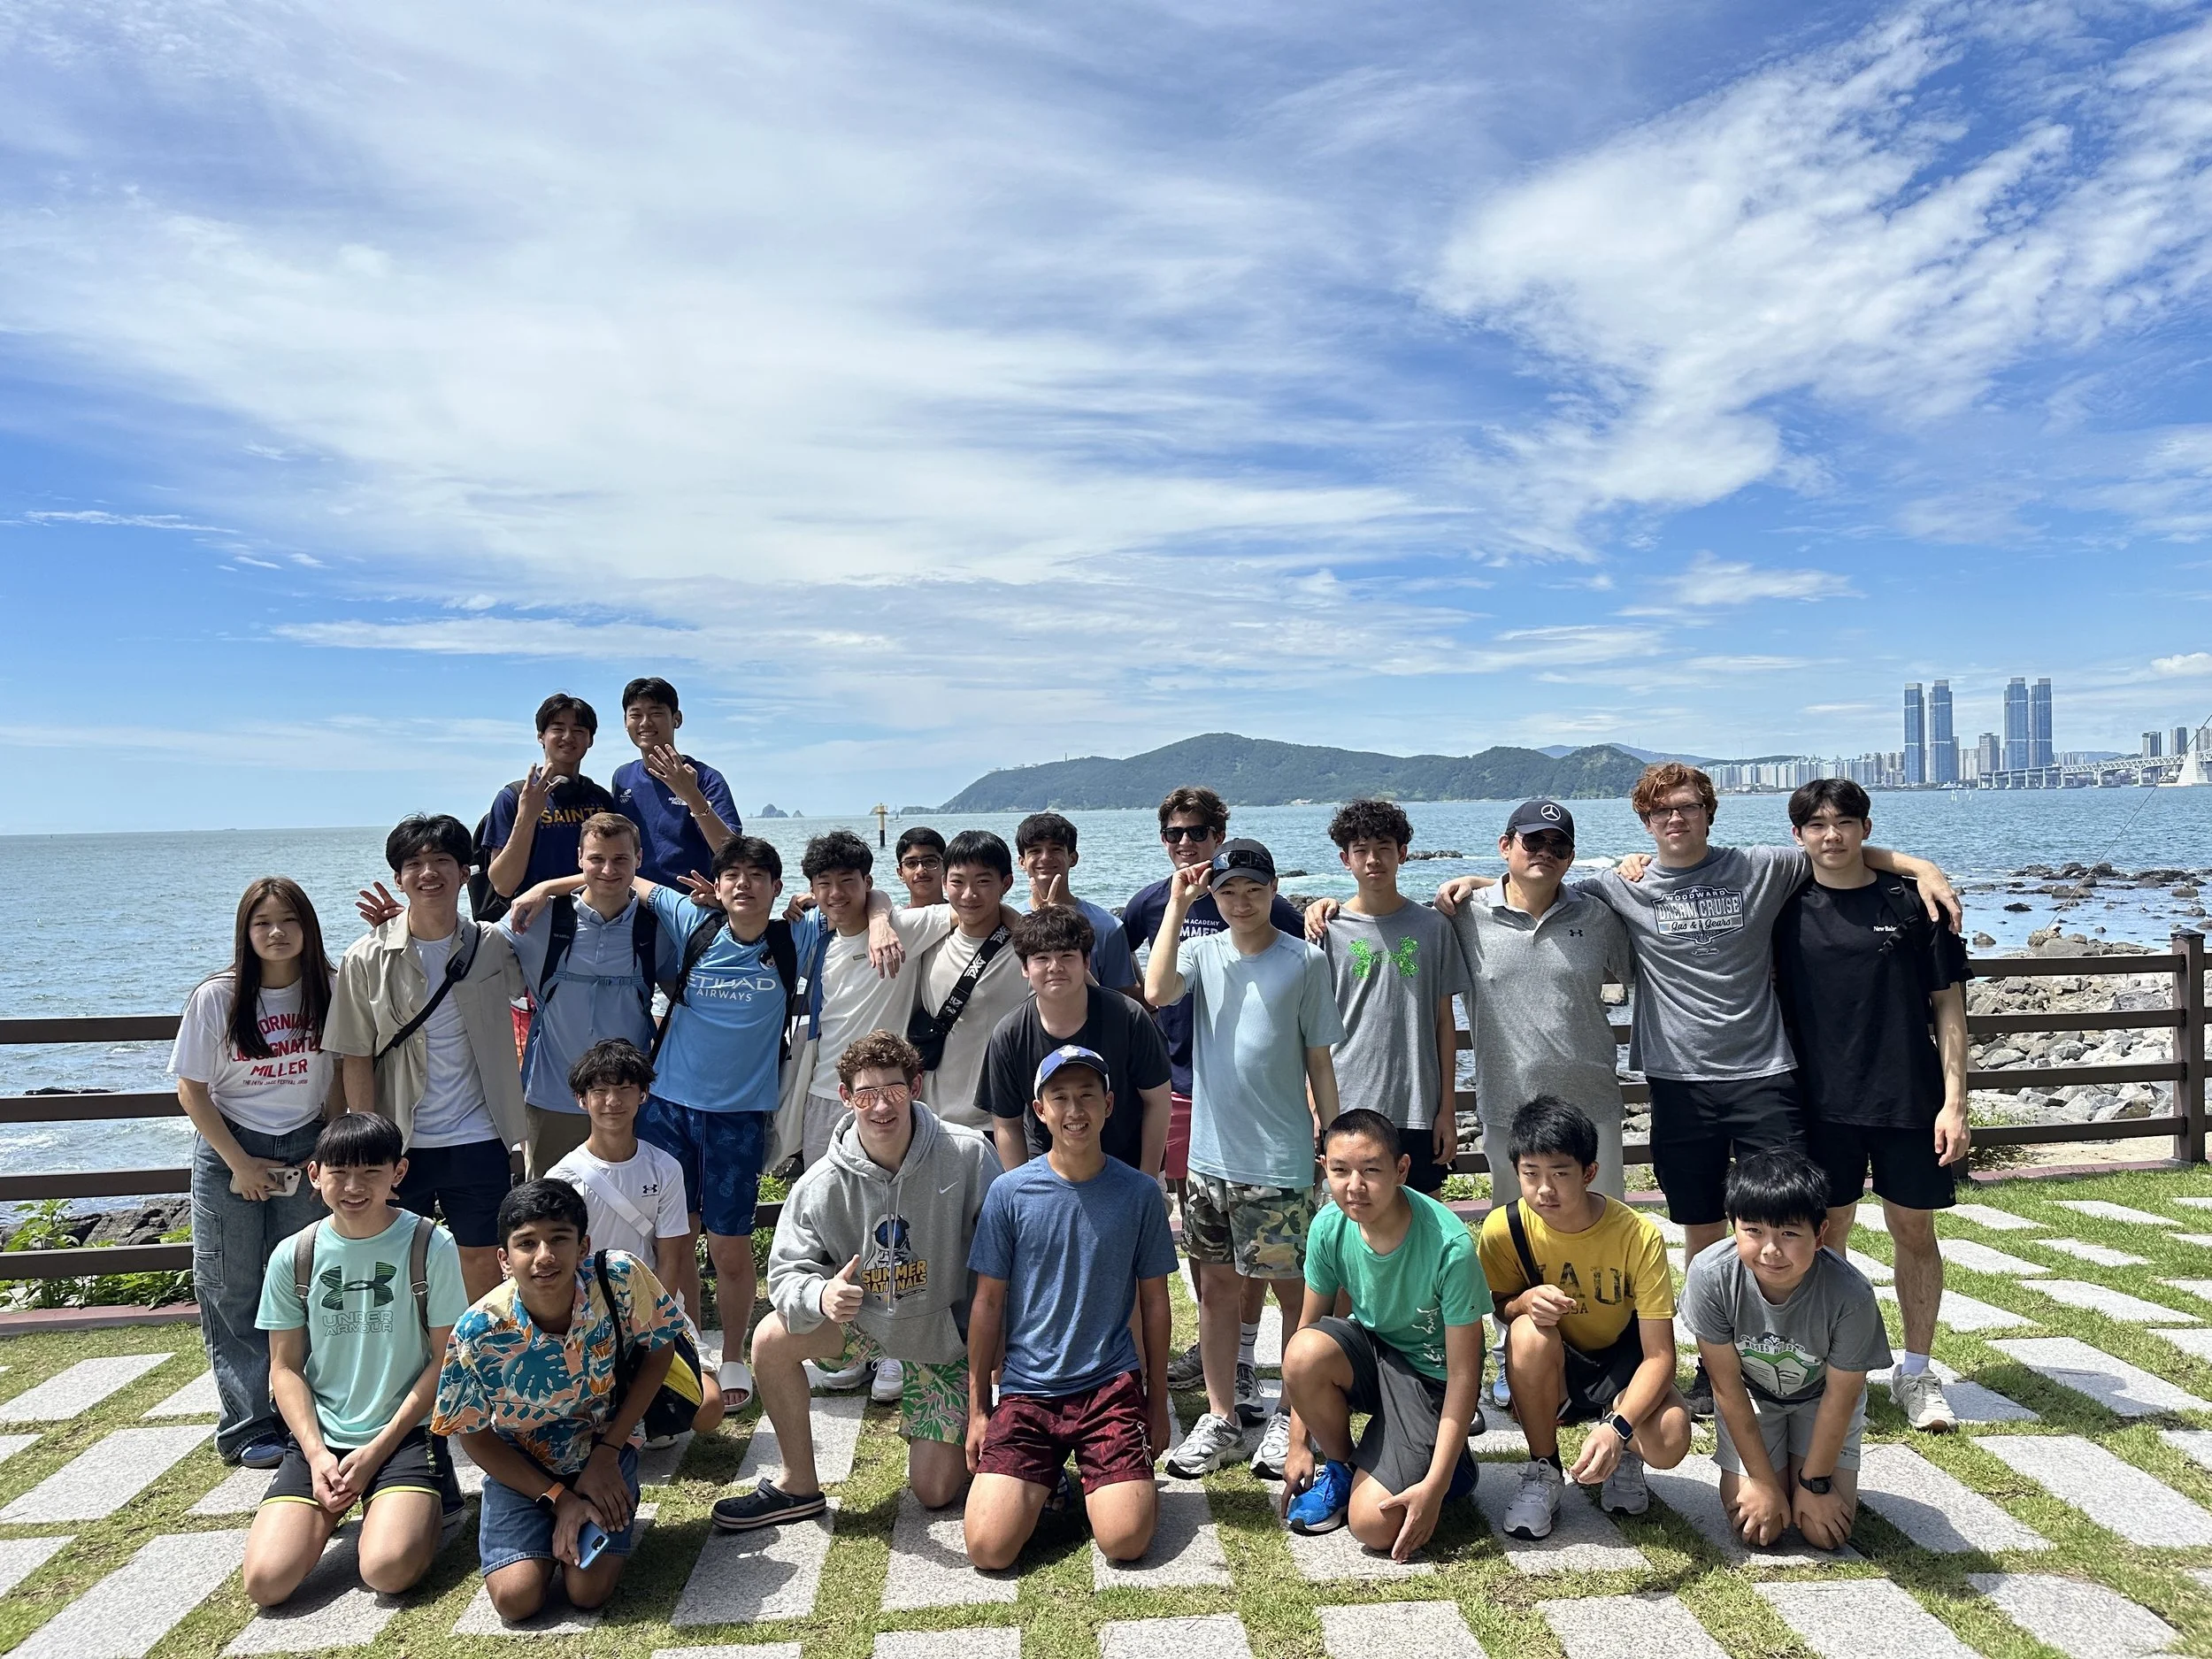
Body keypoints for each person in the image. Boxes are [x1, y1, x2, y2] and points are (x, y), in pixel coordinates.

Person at [1437, 762, 1955, 1416]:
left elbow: (1834, 846)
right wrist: (1491, 881)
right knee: (1703, 1230)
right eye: (1661, 812)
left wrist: (1919, 866)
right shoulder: (1622, 887)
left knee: (1795, 1223)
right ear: (1645, 822)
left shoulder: (1761, 867)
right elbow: (1541, 883)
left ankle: (1812, 1359)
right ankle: (1718, 1367)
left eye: (1686, 807)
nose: (1675, 819)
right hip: (1678, 1082)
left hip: (1765, 1073)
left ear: (1709, 812)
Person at [717, 1031, 999, 1529]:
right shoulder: (820, 1183)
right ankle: (797, 1484)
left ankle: (949, 1430)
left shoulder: (969, 1154)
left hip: (942, 1334)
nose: (881, 1106)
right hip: (862, 1321)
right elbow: (784, 1275)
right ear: (846, 1098)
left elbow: (1007, 1253)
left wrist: (994, 1350)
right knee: (771, 1339)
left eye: (893, 1090)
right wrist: (820, 1293)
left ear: (916, 1087)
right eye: (866, 1094)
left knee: (935, 1492)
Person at [1145, 838, 1344, 1481]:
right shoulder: (1202, 952)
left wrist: (1335, 1145)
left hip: (1281, 1158)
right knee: (1216, 1289)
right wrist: (1179, 902)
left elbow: (1320, 1061)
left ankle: (1292, 1409)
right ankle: (1224, 1415)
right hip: (1209, 1158)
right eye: (1227, 891)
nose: (1241, 902)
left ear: (1274, 890)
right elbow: (1155, 989)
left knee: (1294, 1293)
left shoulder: (1305, 962)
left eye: (1254, 890)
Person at [1775, 779, 1970, 1433]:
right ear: (1798, 834)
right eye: (1817, 824)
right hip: (1819, 1101)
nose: (1832, 835)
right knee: (1826, 1237)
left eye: (1845, 822)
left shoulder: (1913, 903)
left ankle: (1916, 1369)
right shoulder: (1784, 901)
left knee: (1914, 1231)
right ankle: (1840, 1369)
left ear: (1865, 826)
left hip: (1909, 1098)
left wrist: (1956, 1103)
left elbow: (1950, 1009)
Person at [433, 1179, 689, 1624]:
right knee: (517, 1600)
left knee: (587, 1591)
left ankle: (591, 1511)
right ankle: (555, 1521)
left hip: (604, 1440)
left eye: (559, 1239)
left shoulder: (620, 1277)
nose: (544, 1256)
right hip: (524, 1461)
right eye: (526, 1244)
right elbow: (471, 1433)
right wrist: (558, 1498)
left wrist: (609, 1452)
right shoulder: (477, 1331)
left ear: (583, 1245)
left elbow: (660, 1348)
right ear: (504, 1259)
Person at [1121, 786, 1306, 1399]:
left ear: (1218, 835)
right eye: (1174, 833)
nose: (1185, 843)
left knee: (1263, 1243)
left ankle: (1247, 1345)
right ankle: (1217, 1343)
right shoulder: (1153, 903)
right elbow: (1128, 978)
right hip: (1174, 1085)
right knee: (1206, 1230)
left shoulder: (1258, 901)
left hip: (1253, 1100)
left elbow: (1303, 980)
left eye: (1197, 832)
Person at [963, 1045, 1175, 1570]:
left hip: (1108, 1383)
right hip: (1029, 1388)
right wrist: (978, 1407)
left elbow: (1154, 1302)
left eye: (1086, 1096)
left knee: (1126, 1543)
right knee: (988, 1550)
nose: (1074, 1110)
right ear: (1040, 1110)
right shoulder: (1009, 1193)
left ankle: (1097, 1483)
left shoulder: (1139, 1194)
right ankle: (1052, 1478)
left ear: (1109, 1104)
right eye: (1059, 1097)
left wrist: (1156, 1398)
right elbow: (988, 1301)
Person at [242, 1113, 465, 1609]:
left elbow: (446, 1357)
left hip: (404, 1432)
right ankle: (367, 1501)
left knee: (387, 1570)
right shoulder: (294, 1254)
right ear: (315, 1173)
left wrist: (376, 1452)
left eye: (370, 1172)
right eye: (339, 1172)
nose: (353, 1186)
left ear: (398, 1173)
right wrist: (319, 1454)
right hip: (320, 1436)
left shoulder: (430, 1243)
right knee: (266, 1582)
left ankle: (427, 1494)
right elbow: (285, 1368)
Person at [172, 877, 340, 1470]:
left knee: (307, 1282)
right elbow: (190, 1088)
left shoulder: (331, 986)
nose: (276, 932)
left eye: (288, 920)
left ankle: (309, 1411)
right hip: (230, 1144)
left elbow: (344, 1068)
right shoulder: (217, 997)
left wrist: (331, 1143)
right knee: (231, 1284)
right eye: (262, 921)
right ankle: (247, 1424)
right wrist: (238, 1163)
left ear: (307, 927)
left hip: (305, 1143)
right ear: (245, 930)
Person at [329, 814, 526, 1302]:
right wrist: (370, 1144)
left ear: (465, 873)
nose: (428, 872)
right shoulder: (365, 957)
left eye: (442, 860)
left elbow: (537, 990)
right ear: (399, 878)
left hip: (480, 1135)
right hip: (400, 1140)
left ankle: (478, 1363)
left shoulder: (493, 944)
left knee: (481, 1256)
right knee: (394, 1257)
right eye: (414, 863)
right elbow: (354, 1054)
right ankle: (411, 1365)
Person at [1477, 1098, 1693, 1540]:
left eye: (1560, 1173)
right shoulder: (1504, 1229)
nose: (1544, 1190)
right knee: (1526, 1333)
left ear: (1589, 1173)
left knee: (1670, 1437)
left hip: (1623, 1364)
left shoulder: (1637, 1234)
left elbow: (1660, 1356)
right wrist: (1523, 1303)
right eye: (1530, 1174)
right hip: (1558, 1363)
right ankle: (1543, 1469)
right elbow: (1499, 1302)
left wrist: (1620, 1426)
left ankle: (1624, 1451)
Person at [1278, 1110, 1485, 1559]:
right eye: (1340, 1170)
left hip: (1430, 1380)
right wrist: (1297, 1444)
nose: (1355, 1186)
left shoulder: (1450, 1246)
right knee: (1305, 1351)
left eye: (1371, 1170)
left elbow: (1466, 1375)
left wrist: (1435, 1484)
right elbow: (1305, 1333)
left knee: (1372, 1526)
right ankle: (1340, 1464)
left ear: (1402, 1169)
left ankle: (1455, 1468)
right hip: (1374, 1356)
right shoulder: (1329, 1225)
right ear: (1324, 1167)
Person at [1682, 1148, 1891, 1551]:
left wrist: (1815, 1483)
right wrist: (1761, 1482)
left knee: (1821, 1530)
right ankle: (1775, 1475)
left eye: (1790, 1234)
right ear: (1734, 1226)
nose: (1771, 1250)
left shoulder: (1850, 1293)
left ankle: (1802, 1475)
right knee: (1761, 1527)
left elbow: (1842, 1393)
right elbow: (1726, 1387)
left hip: (1820, 1398)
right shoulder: (1710, 1276)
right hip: (1755, 1397)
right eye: (1754, 1231)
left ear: (1821, 1235)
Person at [545, 1039, 726, 1438]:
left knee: (709, 1411)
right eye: (600, 1090)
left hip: (653, 1308)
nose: (613, 1101)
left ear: (643, 1095)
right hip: (588, 1315)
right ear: (581, 1099)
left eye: (625, 1089)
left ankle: (645, 1414)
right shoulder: (562, 1179)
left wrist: (650, 1324)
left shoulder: (664, 1167)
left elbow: (673, 1254)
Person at [1302, 799, 1467, 1195]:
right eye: (1360, 850)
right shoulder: (1327, 930)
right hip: (1343, 1104)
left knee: (1423, 1222)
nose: (1373, 859)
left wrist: (1447, 1109)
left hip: (1417, 1104)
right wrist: (1313, 1106)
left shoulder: (1433, 927)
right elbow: (1310, 1028)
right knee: (1347, 1222)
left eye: (1384, 848)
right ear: (1346, 859)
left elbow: (1445, 1023)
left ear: (1403, 854)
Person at [503, 812, 678, 1179]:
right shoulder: (538, 919)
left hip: (629, 1098)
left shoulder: (654, 927)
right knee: (549, 1208)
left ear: (639, 860)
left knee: (631, 1207)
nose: (608, 870)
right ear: (579, 859)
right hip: (553, 1095)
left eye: (620, 859)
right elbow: (468, 948)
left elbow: (690, 993)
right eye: (597, 859)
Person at [792, 830, 943, 1174]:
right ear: (812, 891)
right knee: (826, 1196)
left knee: (897, 1192)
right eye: (824, 884)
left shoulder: (903, 928)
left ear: (867, 882)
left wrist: (1024, 924)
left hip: (889, 1092)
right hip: (826, 1090)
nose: (836, 893)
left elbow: (975, 911)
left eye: (847, 881)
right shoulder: (817, 941)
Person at [980, 905, 1171, 1175]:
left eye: (1067, 956)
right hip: (1046, 1170)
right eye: (1042, 958)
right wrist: (1020, 1190)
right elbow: (1006, 1122)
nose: (1055, 967)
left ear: (1086, 962)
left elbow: (1158, 1100)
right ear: (1025, 967)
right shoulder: (1010, 1034)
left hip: (1129, 1165)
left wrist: (1147, 1179)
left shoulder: (1128, 1017)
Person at [910, 831, 1032, 1132]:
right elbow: (864, 913)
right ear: (943, 883)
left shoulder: (1028, 953)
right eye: (958, 882)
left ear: (1006, 883)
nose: (968, 894)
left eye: (983, 881)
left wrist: (1030, 930)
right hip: (931, 1118)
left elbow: (1084, 995)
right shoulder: (928, 939)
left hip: (1002, 1122)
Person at [480, 693, 617, 907]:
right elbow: (503, 885)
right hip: (528, 922)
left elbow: (615, 870)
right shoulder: (514, 797)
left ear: (590, 739)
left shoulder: (601, 799)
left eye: (579, 730)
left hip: (592, 919)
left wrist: (549, 888)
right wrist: (526, 818)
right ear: (541, 736)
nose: (568, 736)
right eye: (558, 728)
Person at [610, 676, 741, 887]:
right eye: (636, 714)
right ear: (625, 722)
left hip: (691, 903)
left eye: (656, 713)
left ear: (677, 719)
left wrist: (692, 795)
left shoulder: (706, 778)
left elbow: (733, 852)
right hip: (634, 901)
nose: (645, 722)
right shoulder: (622, 777)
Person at [1013, 812, 1141, 996]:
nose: (1045, 857)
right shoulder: (1007, 920)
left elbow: (1119, 998)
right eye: (1035, 851)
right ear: (1022, 862)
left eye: (1055, 849)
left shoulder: (1107, 926)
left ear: (1073, 858)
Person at [895, 826, 948, 908]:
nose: (921, 870)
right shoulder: (895, 919)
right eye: (911, 863)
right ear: (901, 874)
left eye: (930, 861)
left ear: (945, 867)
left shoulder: (965, 915)